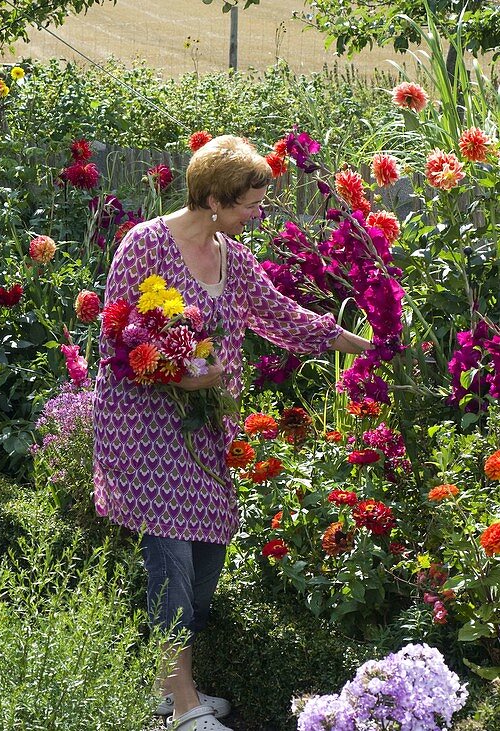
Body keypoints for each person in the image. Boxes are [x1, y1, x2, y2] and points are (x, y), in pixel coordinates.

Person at [92, 135, 372, 731]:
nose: (259, 215)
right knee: (169, 554)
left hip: (203, 428)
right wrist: (180, 377)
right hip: (145, 423)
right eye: (250, 204)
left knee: (209, 555)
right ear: (214, 198)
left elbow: (282, 318)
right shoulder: (145, 246)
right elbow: (118, 338)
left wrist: (366, 347)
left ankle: (167, 689)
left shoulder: (233, 259)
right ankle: (186, 706)